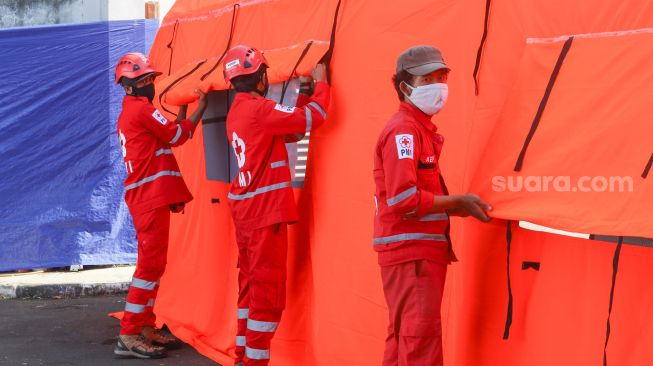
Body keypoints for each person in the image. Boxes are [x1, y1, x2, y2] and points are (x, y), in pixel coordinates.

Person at [373, 45, 493, 365]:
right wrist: (458, 201)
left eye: (441, 77)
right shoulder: (404, 132)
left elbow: (419, 196)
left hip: (415, 253)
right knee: (419, 340)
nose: (438, 86)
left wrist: (461, 207)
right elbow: (402, 199)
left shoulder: (419, 130)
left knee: (404, 337)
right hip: (412, 255)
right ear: (404, 87)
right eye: (427, 80)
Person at [222, 45, 330, 365]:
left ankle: (243, 353)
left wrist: (302, 97)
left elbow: (290, 130)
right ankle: (255, 360)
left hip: (246, 209)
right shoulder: (258, 109)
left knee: (251, 286)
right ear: (260, 77)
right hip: (264, 211)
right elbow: (314, 119)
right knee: (267, 295)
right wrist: (322, 84)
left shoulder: (240, 110)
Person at [113, 52, 208, 359]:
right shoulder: (140, 109)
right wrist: (199, 110)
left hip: (148, 196)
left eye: (151, 79)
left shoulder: (135, 110)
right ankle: (129, 333)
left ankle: (143, 325)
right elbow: (175, 135)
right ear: (129, 86)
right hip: (149, 197)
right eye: (145, 81)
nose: (150, 85)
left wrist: (180, 110)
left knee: (154, 266)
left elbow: (166, 134)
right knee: (149, 267)